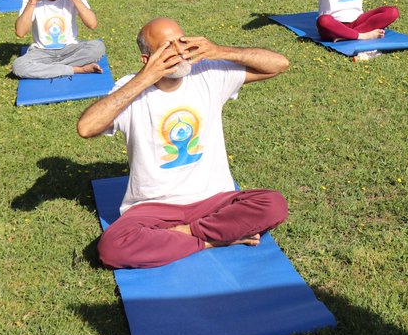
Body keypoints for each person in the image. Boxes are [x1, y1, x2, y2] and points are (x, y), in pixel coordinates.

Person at [77, 17, 290, 269]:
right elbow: (86, 128)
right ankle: (214, 239)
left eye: (182, 41)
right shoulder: (131, 88)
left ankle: (183, 235)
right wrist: (145, 78)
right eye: (168, 47)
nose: (180, 51)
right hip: (153, 209)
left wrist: (219, 51)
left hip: (214, 200)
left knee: (273, 204)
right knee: (112, 248)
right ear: (147, 59)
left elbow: (279, 64)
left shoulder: (208, 74)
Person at [11, 0, 106, 78]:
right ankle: (76, 69)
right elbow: (20, 32)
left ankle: (50, 69)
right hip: (42, 52)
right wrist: (33, 0)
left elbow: (92, 24)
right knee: (18, 66)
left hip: (70, 49)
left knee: (97, 47)